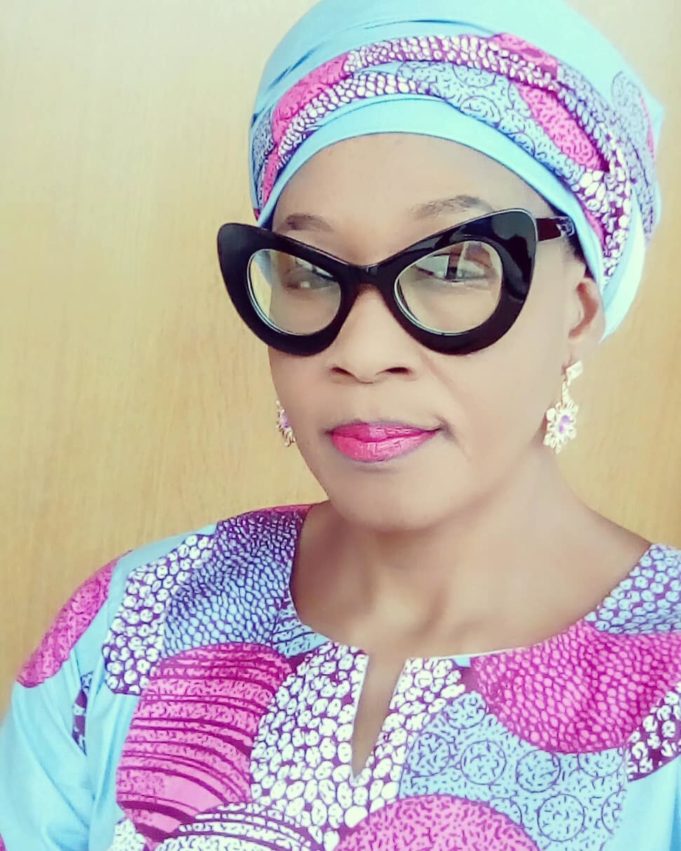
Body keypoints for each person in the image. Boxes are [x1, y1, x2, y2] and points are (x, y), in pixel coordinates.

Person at [1, 0, 679, 848]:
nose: (360, 351)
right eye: (310, 272)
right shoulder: (129, 625)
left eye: (452, 265)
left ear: (576, 310)